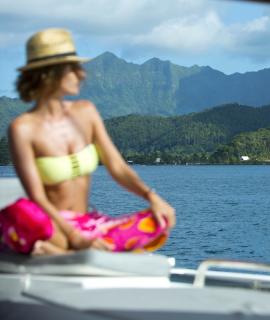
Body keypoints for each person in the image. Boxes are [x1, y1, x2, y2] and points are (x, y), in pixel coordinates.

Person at [0, 28, 176, 255]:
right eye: (72, 69)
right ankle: (67, 245)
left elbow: (117, 167)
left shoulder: (86, 112)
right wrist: (73, 235)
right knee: (20, 214)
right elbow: (38, 197)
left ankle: (60, 250)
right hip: (51, 225)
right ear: (49, 74)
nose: (81, 74)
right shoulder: (22, 129)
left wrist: (152, 197)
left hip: (87, 223)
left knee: (159, 220)